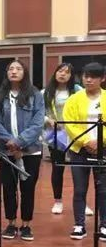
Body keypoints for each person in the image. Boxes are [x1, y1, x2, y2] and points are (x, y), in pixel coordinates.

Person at [0, 60, 45, 241]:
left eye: (18, 69)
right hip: (7, 151)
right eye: (11, 69)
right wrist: (9, 141)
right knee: (8, 188)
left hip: (31, 151)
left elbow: (38, 122)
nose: (14, 71)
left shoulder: (35, 95)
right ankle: (11, 223)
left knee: (28, 189)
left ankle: (26, 225)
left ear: (24, 72)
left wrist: (20, 141)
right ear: (6, 73)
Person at [63, 62, 106, 241]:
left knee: (103, 189)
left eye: (93, 77)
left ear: (102, 78)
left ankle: (104, 225)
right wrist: (86, 141)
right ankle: (79, 225)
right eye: (85, 76)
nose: (88, 80)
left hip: (103, 149)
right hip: (79, 149)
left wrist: (100, 141)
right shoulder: (74, 99)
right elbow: (69, 123)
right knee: (80, 189)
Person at [43, 63, 87, 216]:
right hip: (55, 135)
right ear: (55, 73)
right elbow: (39, 112)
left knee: (80, 169)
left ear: (71, 76)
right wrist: (47, 120)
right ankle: (58, 201)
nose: (62, 74)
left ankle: (83, 202)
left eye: (66, 72)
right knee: (57, 168)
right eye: (60, 71)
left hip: (77, 134)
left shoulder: (78, 90)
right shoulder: (46, 92)